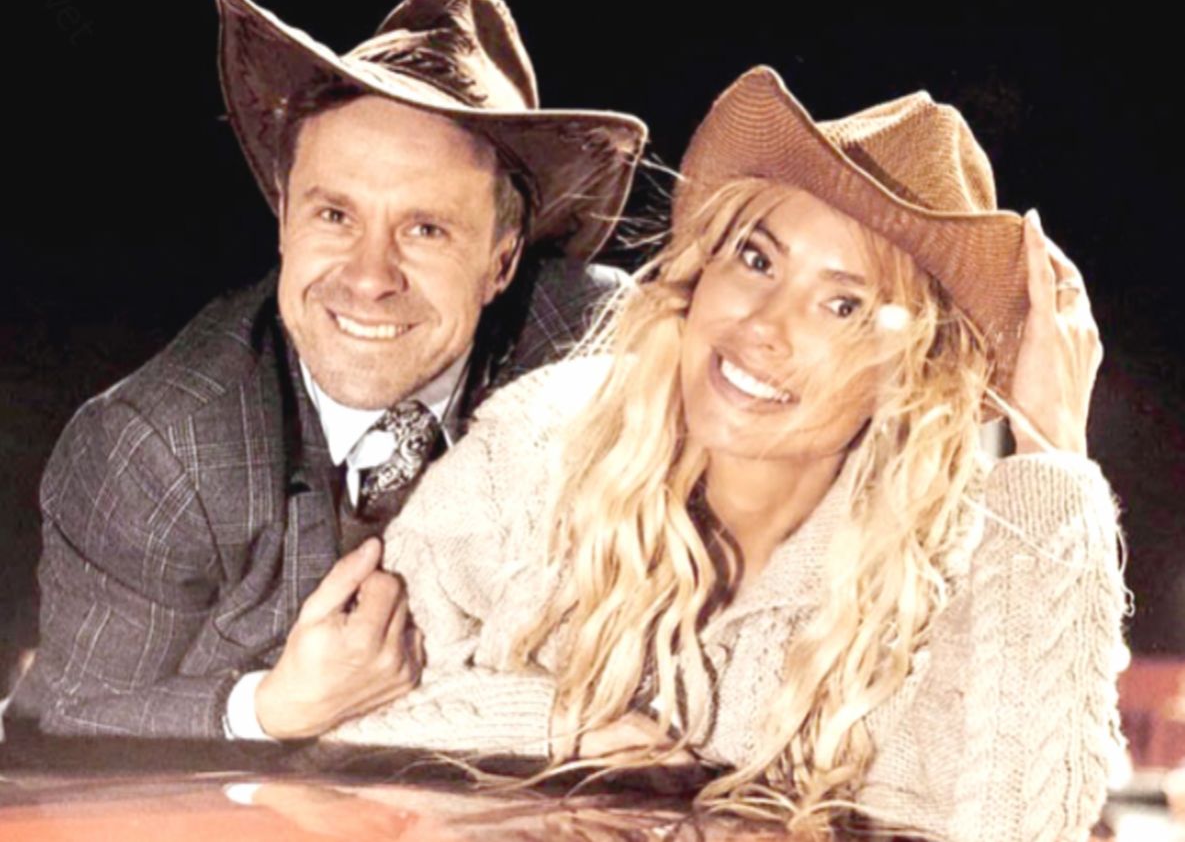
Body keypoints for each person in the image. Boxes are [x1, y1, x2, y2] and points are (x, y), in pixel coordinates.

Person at [323, 68, 1126, 841]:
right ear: (702, 268)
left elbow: (1016, 825)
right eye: (756, 259)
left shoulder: (939, 575)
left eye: (842, 304)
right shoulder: (537, 450)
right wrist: (559, 727)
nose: (763, 325)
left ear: (908, 369)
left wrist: (1052, 455)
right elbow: (335, 719)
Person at [6, 0, 647, 741]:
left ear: (501, 262)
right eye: (335, 214)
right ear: (285, 219)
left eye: (426, 229)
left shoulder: (595, 348)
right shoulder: (157, 447)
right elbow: (63, 722)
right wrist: (270, 707)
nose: (369, 278)